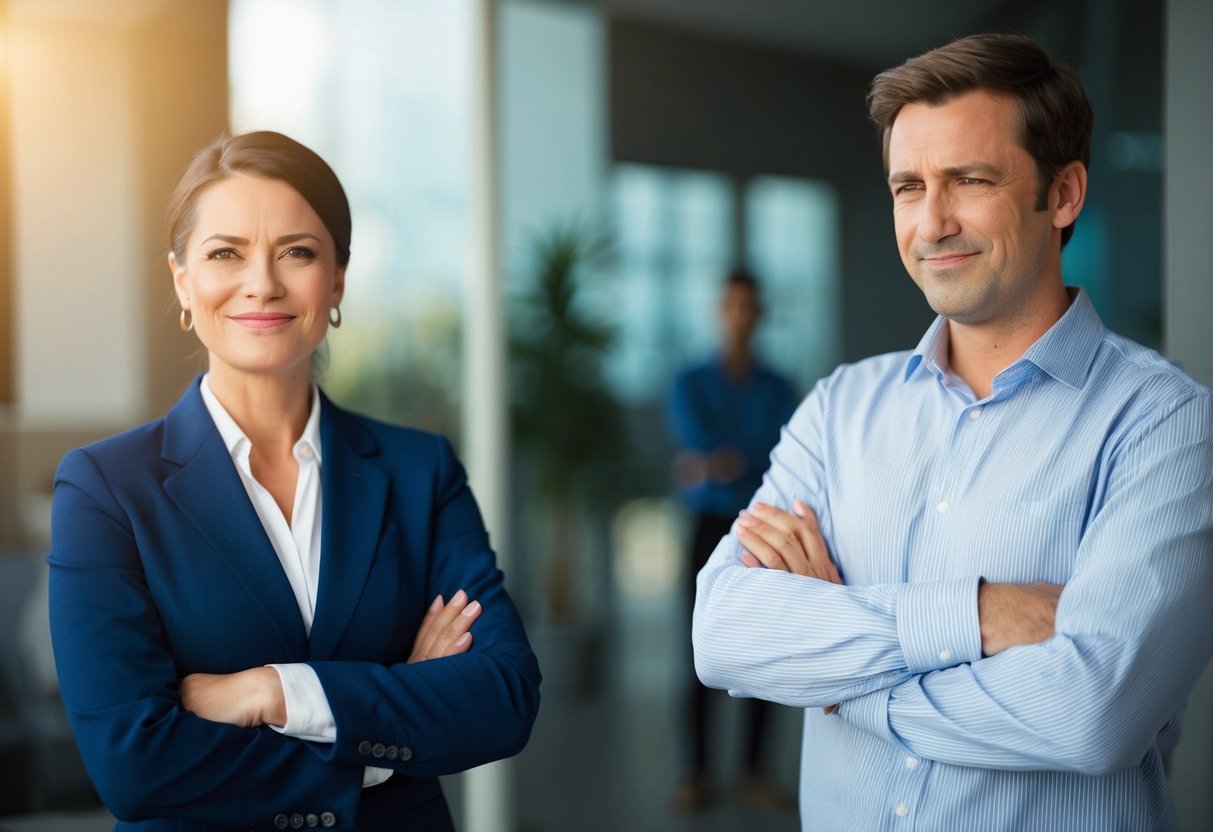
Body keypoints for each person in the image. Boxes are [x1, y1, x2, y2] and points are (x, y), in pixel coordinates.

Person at [692, 33, 1212, 831]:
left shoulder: (1162, 424)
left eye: (968, 180)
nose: (931, 222)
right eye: (908, 186)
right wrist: (975, 615)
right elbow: (723, 631)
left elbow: (1089, 715)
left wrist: (838, 680)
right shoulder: (840, 410)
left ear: (1063, 193)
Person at [48, 131, 541, 830]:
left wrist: (277, 693)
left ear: (336, 279)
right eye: (225, 253)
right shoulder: (105, 488)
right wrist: (396, 711)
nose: (262, 283)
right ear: (183, 280)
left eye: (297, 252)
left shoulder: (418, 470)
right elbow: (134, 765)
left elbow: (503, 697)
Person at [667, 271, 798, 812]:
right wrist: (730, 456)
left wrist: (715, 462)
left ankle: (753, 773)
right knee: (696, 649)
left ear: (759, 313)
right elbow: (699, 442)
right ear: (720, 312)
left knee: (762, 650)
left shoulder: (779, 386)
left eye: (749, 306)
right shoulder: (689, 381)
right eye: (731, 306)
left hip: (758, 525)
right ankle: (697, 773)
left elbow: (778, 450)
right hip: (704, 528)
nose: (740, 316)